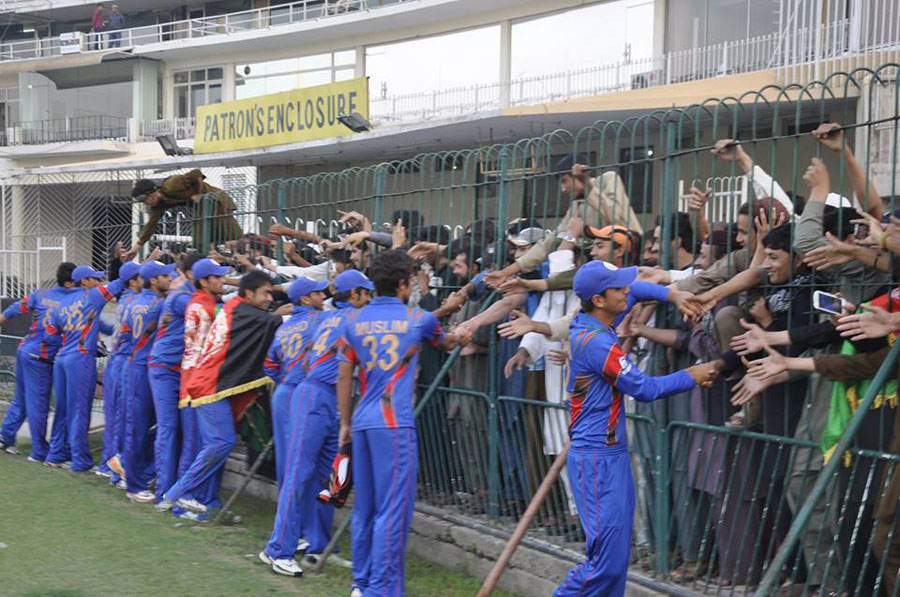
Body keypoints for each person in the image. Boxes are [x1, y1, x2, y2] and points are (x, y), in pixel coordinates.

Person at [554, 260, 719, 596]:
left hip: (608, 456)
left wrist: (673, 296)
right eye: (619, 288)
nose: (627, 291)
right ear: (600, 299)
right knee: (604, 565)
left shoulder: (597, 313)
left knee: (614, 563)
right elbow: (643, 388)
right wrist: (692, 375)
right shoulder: (595, 341)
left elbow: (641, 289)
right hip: (597, 460)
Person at [336, 250, 469, 596]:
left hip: (362, 420)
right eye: (410, 281)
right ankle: (383, 590)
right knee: (392, 512)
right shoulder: (418, 318)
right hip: (394, 424)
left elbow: (344, 376)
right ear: (400, 283)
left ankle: (362, 584)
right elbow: (445, 340)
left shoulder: (351, 322)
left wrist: (345, 425)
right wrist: (463, 334)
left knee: (364, 508)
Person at [260, 269, 374, 577]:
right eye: (367, 292)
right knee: (299, 474)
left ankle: (318, 546)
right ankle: (278, 549)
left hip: (316, 396)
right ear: (355, 295)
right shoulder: (348, 320)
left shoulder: (325, 319)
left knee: (321, 479)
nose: (371, 297)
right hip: (315, 397)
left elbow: (299, 358)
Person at [159, 270, 284, 515]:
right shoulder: (238, 310)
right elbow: (272, 322)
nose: (269, 298)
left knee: (212, 444)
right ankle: (178, 493)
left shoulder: (231, 306)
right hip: (208, 385)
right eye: (265, 293)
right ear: (249, 293)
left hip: (204, 381)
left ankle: (189, 496)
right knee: (219, 442)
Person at [45, 265, 126, 471]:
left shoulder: (61, 303)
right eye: (95, 279)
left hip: (61, 358)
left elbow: (50, 335)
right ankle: (80, 461)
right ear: (85, 282)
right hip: (80, 359)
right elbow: (120, 282)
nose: (98, 282)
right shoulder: (92, 296)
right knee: (80, 411)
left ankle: (55, 454)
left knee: (63, 410)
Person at [169, 257, 231, 515]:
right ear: (204, 281)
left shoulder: (204, 301)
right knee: (197, 445)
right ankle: (182, 502)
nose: (222, 280)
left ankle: (205, 500)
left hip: (200, 379)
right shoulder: (204, 305)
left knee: (209, 444)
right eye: (217, 277)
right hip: (196, 382)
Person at [0, 262, 78, 460]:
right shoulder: (73, 300)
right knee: (39, 405)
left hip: (24, 350)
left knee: (21, 399)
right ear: (70, 283)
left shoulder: (41, 294)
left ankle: (5, 436)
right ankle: (39, 450)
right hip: (39, 358)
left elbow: (15, 309)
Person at [147, 254, 202, 503]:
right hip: (164, 367)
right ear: (192, 274)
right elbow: (209, 312)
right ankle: (163, 492)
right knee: (168, 429)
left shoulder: (182, 294)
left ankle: (170, 487)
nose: (170, 278)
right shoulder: (182, 298)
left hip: (174, 368)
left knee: (175, 430)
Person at [264, 276, 328, 484]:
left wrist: (286, 379)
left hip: (284, 392)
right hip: (307, 393)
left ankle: (286, 509)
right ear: (306, 300)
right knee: (307, 460)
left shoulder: (283, 327)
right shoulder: (321, 320)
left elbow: (269, 366)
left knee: (287, 458)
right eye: (318, 293)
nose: (323, 296)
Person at [122, 260, 175, 503]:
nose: (171, 279)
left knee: (145, 427)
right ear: (154, 280)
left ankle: (137, 475)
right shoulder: (159, 304)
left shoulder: (133, 301)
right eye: (166, 275)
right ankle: (133, 484)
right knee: (140, 428)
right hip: (143, 367)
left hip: (138, 365)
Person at [128, 169, 243, 259]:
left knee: (234, 238)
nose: (146, 204)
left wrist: (198, 194)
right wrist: (136, 248)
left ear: (151, 194)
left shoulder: (171, 185)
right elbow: (150, 225)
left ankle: (242, 261)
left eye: (144, 201)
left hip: (216, 201)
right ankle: (214, 263)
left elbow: (196, 174)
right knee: (200, 242)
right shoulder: (159, 205)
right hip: (202, 209)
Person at [98, 261, 142, 481]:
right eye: (141, 276)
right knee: (125, 418)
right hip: (125, 362)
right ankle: (118, 470)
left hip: (115, 361)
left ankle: (108, 465)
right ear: (133, 282)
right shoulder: (136, 301)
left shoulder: (124, 297)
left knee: (114, 417)